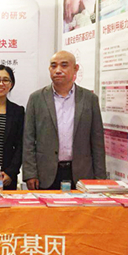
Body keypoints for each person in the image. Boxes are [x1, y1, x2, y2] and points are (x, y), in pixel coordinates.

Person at [23, 50, 106, 190]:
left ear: (75, 68)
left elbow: (97, 141)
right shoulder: (36, 98)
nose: (58, 70)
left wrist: (100, 178)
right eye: (53, 66)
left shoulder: (89, 99)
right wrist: (30, 173)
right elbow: (28, 139)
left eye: (64, 65)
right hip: (46, 174)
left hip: (81, 173)